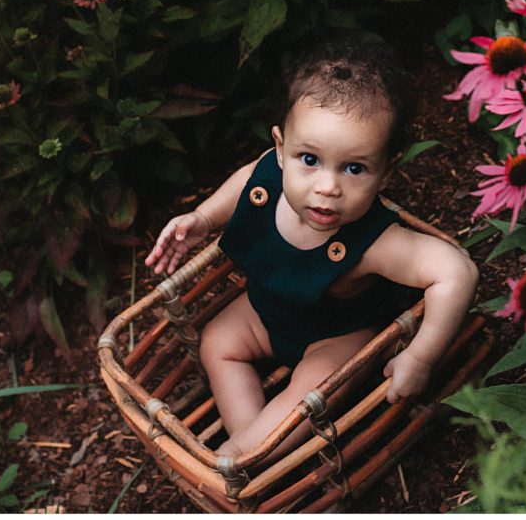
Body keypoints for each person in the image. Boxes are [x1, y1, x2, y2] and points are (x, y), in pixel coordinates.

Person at [145, 39, 479, 459]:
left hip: (334, 335)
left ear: (386, 172)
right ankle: (250, 443)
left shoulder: (375, 241)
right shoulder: (269, 175)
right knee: (217, 342)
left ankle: (244, 452)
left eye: (354, 168)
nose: (327, 186)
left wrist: (421, 357)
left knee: (312, 391)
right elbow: (245, 181)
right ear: (282, 148)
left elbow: (457, 272)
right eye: (309, 159)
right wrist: (204, 218)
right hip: (267, 312)